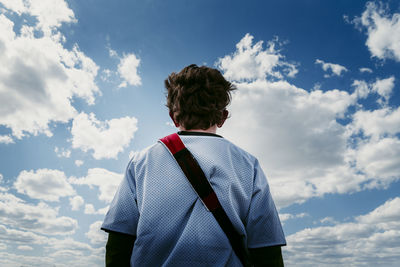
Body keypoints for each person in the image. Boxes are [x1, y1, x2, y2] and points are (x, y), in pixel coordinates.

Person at [101, 64, 286, 266]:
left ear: (173, 116)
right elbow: (266, 249)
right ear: (223, 117)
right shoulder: (249, 165)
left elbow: (119, 242)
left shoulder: (140, 162)